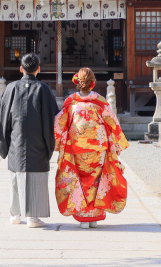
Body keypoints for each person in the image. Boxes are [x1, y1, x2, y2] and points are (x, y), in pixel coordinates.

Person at [0, 53, 59, 228]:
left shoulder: (11, 88)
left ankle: (15, 214)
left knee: (16, 175)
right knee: (36, 176)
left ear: (21, 69)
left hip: (16, 141)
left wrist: (5, 140)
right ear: (38, 69)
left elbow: (2, 117)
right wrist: (52, 142)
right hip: (39, 141)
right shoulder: (43, 89)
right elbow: (54, 118)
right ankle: (33, 217)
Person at [54, 67, 129, 229]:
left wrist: (56, 143)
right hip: (98, 149)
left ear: (77, 82)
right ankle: (93, 216)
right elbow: (113, 122)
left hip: (77, 148)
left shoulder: (71, 102)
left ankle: (83, 216)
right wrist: (117, 144)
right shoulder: (100, 102)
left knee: (80, 180)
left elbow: (60, 123)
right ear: (93, 83)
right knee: (96, 181)